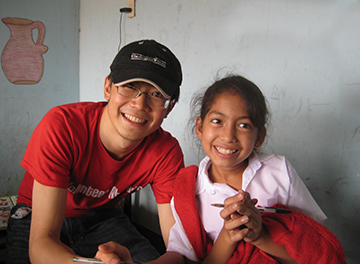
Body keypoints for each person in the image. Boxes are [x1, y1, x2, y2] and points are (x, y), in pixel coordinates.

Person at [95, 74, 345, 264]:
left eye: (244, 125)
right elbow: (181, 257)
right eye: (217, 121)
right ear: (200, 127)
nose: (228, 136)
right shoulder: (187, 188)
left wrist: (260, 237)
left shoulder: (279, 172)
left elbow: (312, 251)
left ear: (259, 137)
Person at [6, 39, 184, 264]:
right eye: (130, 86)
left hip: (102, 217)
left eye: (157, 94)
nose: (140, 104)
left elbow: (178, 250)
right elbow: (41, 244)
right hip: (36, 213)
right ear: (108, 88)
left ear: (169, 108)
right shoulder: (62, 126)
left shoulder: (166, 152)